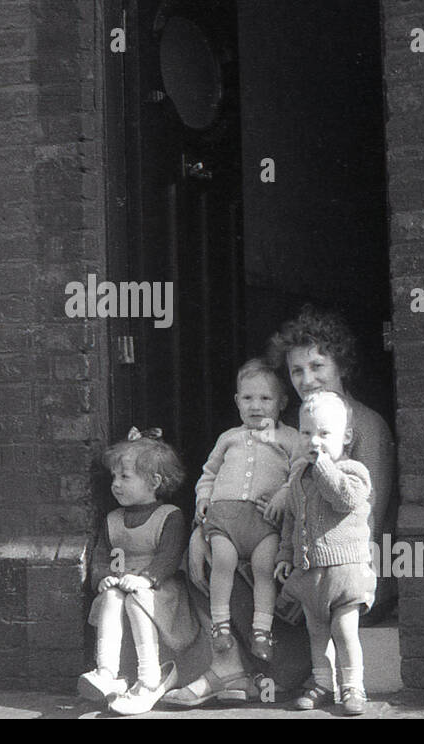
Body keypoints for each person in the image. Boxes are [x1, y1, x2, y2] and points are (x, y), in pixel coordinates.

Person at [165, 305, 396, 708]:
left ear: (342, 364)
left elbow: (368, 519)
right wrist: (203, 530)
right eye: (296, 370)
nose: (307, 379)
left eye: (317, 366)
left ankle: (252, 671)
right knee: (200, 556)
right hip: (286, 557)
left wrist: (302, 573)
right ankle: (230, 664)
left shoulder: (367, 425)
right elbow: (244, 482)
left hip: (343, 573)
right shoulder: (288, 424)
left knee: (288, 650)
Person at [267, 390, 374, 714]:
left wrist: (325, 465)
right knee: (316, 633)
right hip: (311, 574)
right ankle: (322, 683)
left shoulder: (355, 472)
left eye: (324, 434)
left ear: (347, 437)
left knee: (344, 631)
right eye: (307, 432)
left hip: (346, 573)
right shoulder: (299, 477)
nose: (315, 441)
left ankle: (354, 687)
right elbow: (291, 521)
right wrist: (285, 555)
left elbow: (344, 498)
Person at [80, 428, 198, 715]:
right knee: (111, 596)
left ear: (154, 482)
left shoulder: (169, 516)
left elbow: (169, 557)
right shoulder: (113, 519)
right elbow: (100, 556)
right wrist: (103, 576)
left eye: (125, 477)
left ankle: (149, 678)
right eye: (113, 478)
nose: (116, 485)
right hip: (123, 585)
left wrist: (146, 578)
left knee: (135, 599)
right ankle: (107, 672)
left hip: (159, 590)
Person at [193, 360, 302, 661]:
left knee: (265, 569)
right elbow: (209, 473)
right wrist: (203, 498)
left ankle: (262, 632)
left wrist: (283, 493)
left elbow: (300, 472)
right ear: (237, 401)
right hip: (225, 519)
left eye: (265, 398)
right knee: (222, 563)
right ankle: (220, 626)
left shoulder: (291, 438)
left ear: (281, 403)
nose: (256, 406)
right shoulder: (229, 438)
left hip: (264, 522)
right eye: (248, 398)